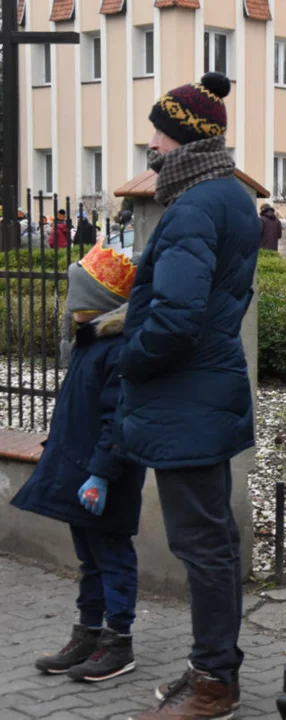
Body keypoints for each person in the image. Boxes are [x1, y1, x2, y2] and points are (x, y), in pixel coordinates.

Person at [117, 71, 260, 718]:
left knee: (202, 546)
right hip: (206, 391)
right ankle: (212, 667)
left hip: (186, 397)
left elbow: (174, 318)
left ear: (180, 140)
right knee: (211, 543)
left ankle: (214, 685)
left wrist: (129, 351)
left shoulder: (196, 205)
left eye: (158, 131)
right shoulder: (227, 196)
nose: (150, 143)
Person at [11, 242, 144, 684]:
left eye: (77, 297)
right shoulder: (91, 344)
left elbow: (118, 420)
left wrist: (101, 475)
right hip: (81, 470)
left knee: (113, 557)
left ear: (97, 302)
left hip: (103, 475)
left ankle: (118, 641)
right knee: (90, 559)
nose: (70, 306)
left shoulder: (118, 349)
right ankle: (87, 632)